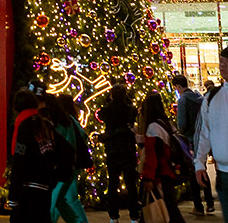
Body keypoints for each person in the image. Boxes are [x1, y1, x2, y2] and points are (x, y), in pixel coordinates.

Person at [8, 83, 57, 223]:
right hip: (45, 186)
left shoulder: (24, 125)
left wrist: (13, 196)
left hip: (28, 188)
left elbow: (19, 161)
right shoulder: (46, 124)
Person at [141, 90, 187, 223]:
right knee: (169, 207)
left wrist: (148, 177)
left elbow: (152, 155)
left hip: (160, 175)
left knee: (163, 208)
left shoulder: (152, 128)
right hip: (169, 171)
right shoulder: (166, 123)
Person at [172, 73, 214, 215]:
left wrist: (179, 132)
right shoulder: (199, 98)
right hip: (202, 137)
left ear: (178, 87)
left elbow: (182, 123)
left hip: (190, 139)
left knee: (193, 172)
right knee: (202, 168)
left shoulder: (183, 100)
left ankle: (198, 206)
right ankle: (209, 202)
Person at [195, 46, 228, 223]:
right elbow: (204, 132)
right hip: (223, 172)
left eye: (226, 63)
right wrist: (199, 163)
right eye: (221, 62)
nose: (222, 67)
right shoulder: (212, 97)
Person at [97, 83, 139, 223]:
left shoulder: (106, 110)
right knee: (131, 184)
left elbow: (102, 116)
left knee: (113, 184)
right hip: (127, 148)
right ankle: (134, 215)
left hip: (112, 149)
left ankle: (113, 216)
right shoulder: (130, 110)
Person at [51, 94, 89, 223]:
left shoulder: (63, 120)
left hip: (65, 165)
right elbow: (84, 136)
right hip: (71, 164)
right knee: (62, 199)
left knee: (62, 198)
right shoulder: (69, 119)